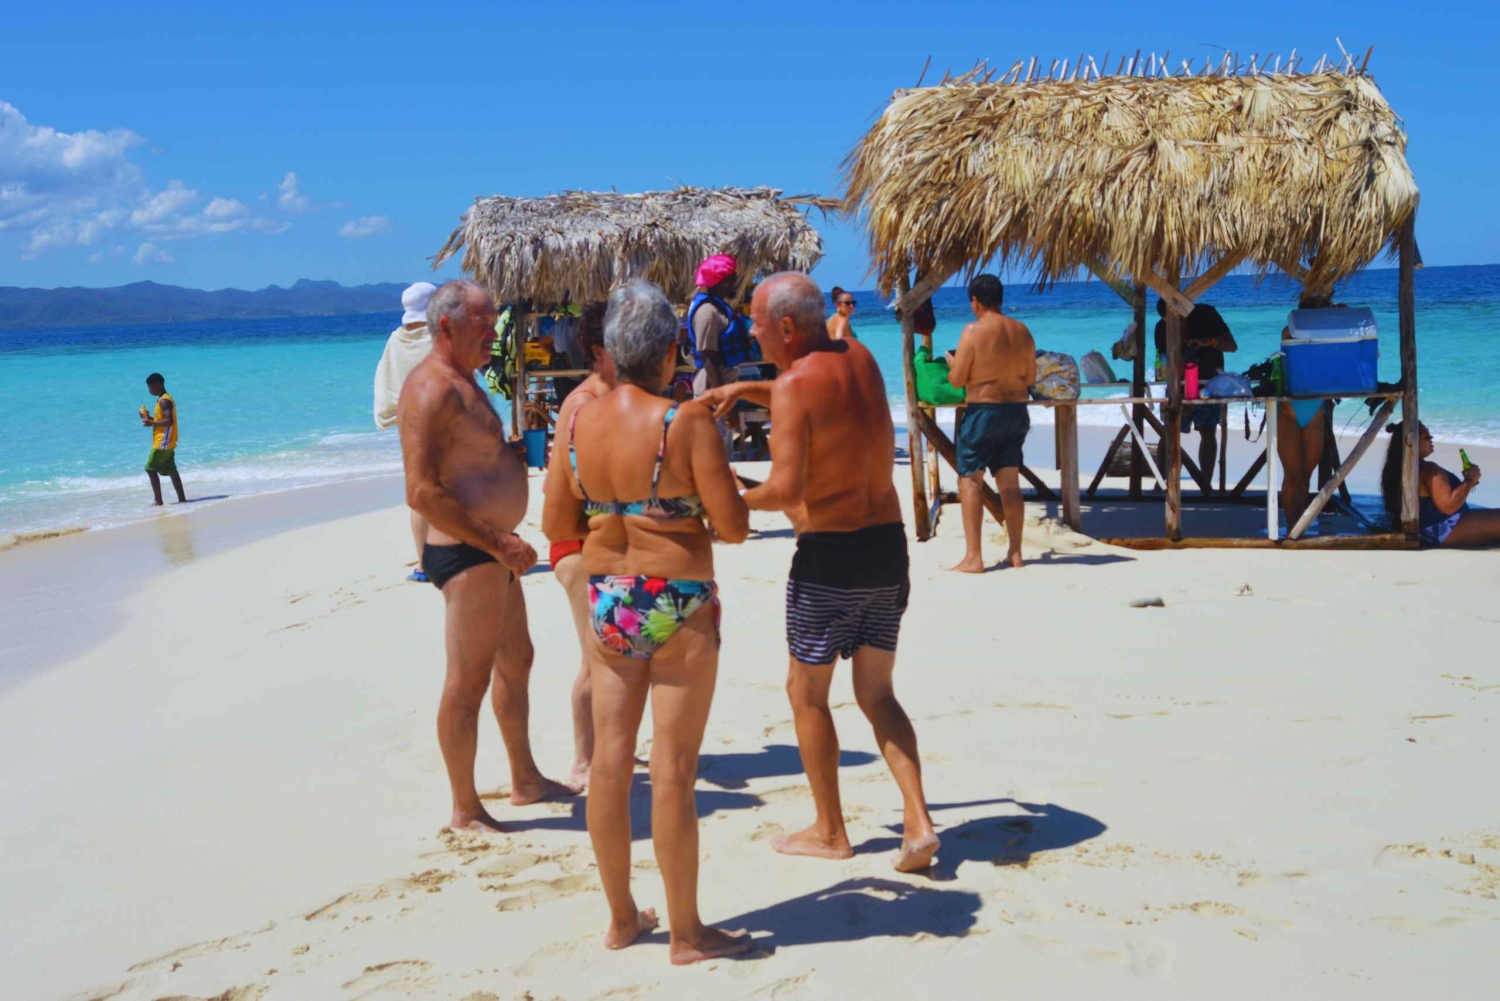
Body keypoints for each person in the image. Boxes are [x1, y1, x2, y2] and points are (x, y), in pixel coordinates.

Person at [698, 272, 938, 873]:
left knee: (807, 696)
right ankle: (918, 821)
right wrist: (744, 389)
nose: (747, 330)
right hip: (887, 548)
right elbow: (813, 393)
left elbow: (786, 488)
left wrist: (726, 493)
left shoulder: (794, 385)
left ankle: (831, 831)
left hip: (830, 559)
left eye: (754, 321)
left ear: (784, 327)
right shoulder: (857, 356)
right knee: (878, 694)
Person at [542, 280, 752, 963]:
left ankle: (622, 917)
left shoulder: (576, 423)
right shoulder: (683, 419)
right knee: (672, 769)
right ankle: (687, 934)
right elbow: (734, 525)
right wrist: (680, 511)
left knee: (609, 762)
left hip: (610, 595)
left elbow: (555, 525)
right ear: (669, 353)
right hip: (679, 597)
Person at [398, 279, 577, 833]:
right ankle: (464, 807)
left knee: (516, 660)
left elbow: (465, 461)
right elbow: (422, 491)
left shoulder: (465, 381)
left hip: (493, 551)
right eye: (484, 326)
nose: (494, 337)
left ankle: (524, 778)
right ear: (446, 327)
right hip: (469, 552)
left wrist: (506, 455)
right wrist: (498, 542)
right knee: (467, 682)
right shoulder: (432, 389)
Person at [547, 301, 612, 789]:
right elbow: (577, 487)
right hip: (576, 541)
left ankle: (609, 748)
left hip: (602, 539)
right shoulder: (585, 402)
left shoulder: (612, 394)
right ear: (599, 350)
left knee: (616, 654)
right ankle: (583, 761)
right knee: (595, 658)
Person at [945, 274, 1035, 572]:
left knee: (970, 480)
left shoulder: (973, 330)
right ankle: (1016, 552)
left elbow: (958, 380)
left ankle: (974, 558)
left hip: (984, 411)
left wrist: (951, 364)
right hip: (1016, 411)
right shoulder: (1022, 331)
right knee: (1009, 481)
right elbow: (1031, 377)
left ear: (975, 301)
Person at [376, 281, 437, 582]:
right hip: (445, 423)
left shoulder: (395, 341)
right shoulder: (441, 337)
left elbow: (385, 382)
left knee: (420, 495)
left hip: (410, 425)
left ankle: (424, 565)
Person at [1154, 297, 1237, 479]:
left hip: (1209, 384)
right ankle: (1162, 482)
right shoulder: (1161, 328)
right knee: (1169, 432)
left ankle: (1205, 483)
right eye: (1168, 320)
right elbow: (1163, 363)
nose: (1176, 323)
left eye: (1179, 318)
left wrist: (1209, 342)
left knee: (1207, 432)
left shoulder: (1206, 313)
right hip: (1178, 384)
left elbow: (1232, 346)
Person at [1381, 422, 1499, 546]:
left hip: (1425, 530)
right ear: (1411, 441)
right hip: (1444, 529)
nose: (1431, 438)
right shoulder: (1429, 469)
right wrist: (1470, 480)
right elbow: (1449, 506)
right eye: (1426, 436)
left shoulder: (1401, 469)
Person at [1276, 293, 1333, 528]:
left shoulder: (1332, 333)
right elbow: (1288, 336)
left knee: (1306, 474)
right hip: (1290, 408)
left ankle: (1299, 525)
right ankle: (1291, 525)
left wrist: (1338, 318)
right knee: (1292, 473)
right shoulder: (1290, 330)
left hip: (1315, 407)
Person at [141, 372, 186, 506]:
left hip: (162, 443)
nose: (149, 390)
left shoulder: (164, 401)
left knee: (150, 468)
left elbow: (169, 421)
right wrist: (148, 419)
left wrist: (152, 423)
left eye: (150, 387)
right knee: (171, 469)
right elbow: (162, 420)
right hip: (167, 441)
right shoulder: (163, 399)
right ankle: (182, 499)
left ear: (158, 384)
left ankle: (158, 500)